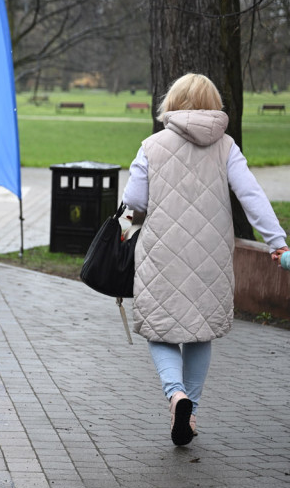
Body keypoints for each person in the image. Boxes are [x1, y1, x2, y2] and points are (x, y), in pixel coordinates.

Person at [121, 73, 288, 446]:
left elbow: (134, 203)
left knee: (159, 326)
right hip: (211, 254)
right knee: (199, 330)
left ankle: (175, 394)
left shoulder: (151, 145)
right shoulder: (226, 146)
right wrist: (277, 243)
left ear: (173, 102)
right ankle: (191, 412)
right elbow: (252, 195)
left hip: (161, 253)